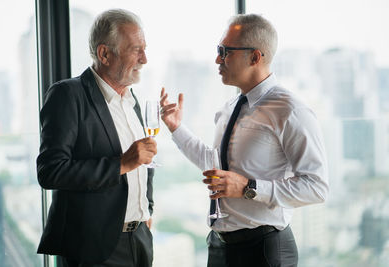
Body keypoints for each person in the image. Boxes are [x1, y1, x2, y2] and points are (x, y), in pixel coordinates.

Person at [160, 14, 329, 266]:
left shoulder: (290, 110)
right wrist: (176, 128)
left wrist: (249, 187)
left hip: (264, 249)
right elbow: (217, 164)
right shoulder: (231, 106)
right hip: (219, 246)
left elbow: (317, 187)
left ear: (255, 57)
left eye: (225, 51)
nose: (217, 59)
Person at [36, 9, 156, 267]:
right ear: (104, 53)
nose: (144, 59)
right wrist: (121, 164)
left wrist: (148, 210)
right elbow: (50, 171)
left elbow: (144, 161)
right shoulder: (67, 95)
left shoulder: (131, 100)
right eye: (136, 49)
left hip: (140, 238)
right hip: (95, 248)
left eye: (144, 49)